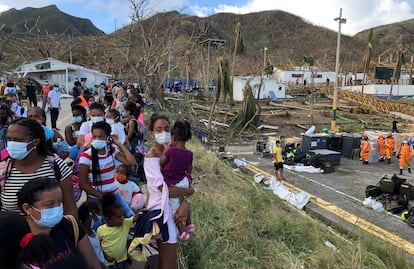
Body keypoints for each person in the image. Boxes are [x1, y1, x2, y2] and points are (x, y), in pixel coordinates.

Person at [145, 114, 194, 269]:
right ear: (152, 133)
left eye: (167, 129)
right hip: (162, 213)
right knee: (170, 264)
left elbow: (187, 176)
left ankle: (185, 228)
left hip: (173, 210)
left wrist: (186, 201)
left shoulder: (173, 153)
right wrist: (190, 192)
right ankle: (185, 229)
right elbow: (168, 191)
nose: (164, 133)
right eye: (159, 129)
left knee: (163, 261)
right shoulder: (151, 158)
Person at [18, 178, 102, 269]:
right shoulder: (18, 238)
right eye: (50, 204)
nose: (57, 208)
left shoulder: (70, 225)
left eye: (59, 202)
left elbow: (94, 265)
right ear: (27, 208)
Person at [1, 119, 77, 217]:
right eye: (9, 139)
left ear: (35, 142)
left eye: (18, 140)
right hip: (13, 231)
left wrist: (72, 229)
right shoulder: (3, 170)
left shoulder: (56, 167)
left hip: (52, 231)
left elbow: (70, 208)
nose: (11, 144)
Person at [78, 121, 136, 217]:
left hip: (114, 194)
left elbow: (131, 161)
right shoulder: (86, 156)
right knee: (102, 226)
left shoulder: (111, 151)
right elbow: (83, 183)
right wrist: (102, 196)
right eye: (95, 136)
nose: (97, 139)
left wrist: (118, 144)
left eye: (101, 137)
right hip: (96, 198)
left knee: (130, 216)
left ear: (108, 137)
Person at [160, 120, 195, 241]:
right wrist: (188, 178)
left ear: (173, 137)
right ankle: (189, 224)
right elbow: (189, 169)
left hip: (173, 183)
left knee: (176, 210)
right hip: (184, 181)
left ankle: (182, 233)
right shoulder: (189, 154)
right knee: (184, 203)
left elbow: (160, 162)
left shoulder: (170, 152)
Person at [97, 193, 141, 269]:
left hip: (122, 261)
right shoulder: (101, 230)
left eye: (123, 215)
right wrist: (105, 256)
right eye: (119, 217)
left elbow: (135, 218)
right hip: (108, 264)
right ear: (108, 219)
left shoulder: (125, 224)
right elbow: (98, 246)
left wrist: (142, 212)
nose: (122, 218)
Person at [78, 201, 106, 266]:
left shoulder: (93, 232)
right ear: (90, 216)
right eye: (97, 217)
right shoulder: (83, 239)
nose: (98, 220)